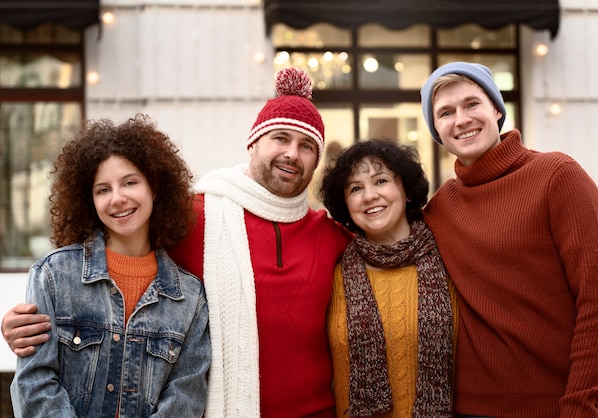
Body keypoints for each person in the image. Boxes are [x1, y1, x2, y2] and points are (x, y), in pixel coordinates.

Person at [1, 68, 352, 417]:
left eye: (306, 145)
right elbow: (95, 258)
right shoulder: (196, 215)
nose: (292, 153)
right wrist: (21, 324)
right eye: (280, 138)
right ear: (253, 143)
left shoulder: (333, 236)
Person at [419, 61, 598, 417]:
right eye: (445, 112)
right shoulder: (441, 207)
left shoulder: (558, 176)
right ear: (437, 130)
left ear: (496, 109)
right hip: (471, 408)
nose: (461, 119)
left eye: (471, 104)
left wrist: (579, 405)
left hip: (561, 407)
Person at [9, 115, 211, 417]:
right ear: (88, 199)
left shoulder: (190, 296)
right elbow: (33, 385)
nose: (117, 198)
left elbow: (187, 395)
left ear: (154, 188)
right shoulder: (53, 276)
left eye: (130, 182)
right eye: (103, 189)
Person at [318, 138, 457, 418]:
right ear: (346, 204)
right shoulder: (333, 276)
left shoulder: (449, 261)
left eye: (381, 181)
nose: (369, 196)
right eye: (356, 188)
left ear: (405, 189)